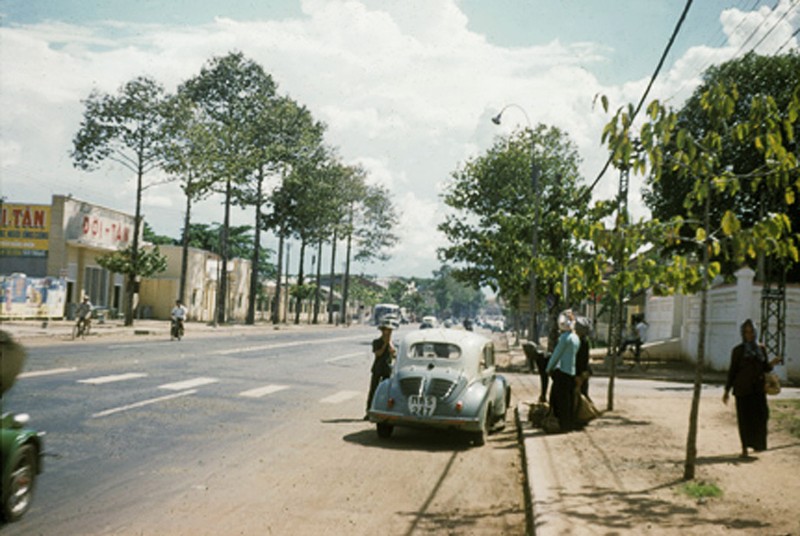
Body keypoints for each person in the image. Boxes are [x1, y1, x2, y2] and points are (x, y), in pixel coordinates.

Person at [723, 319, 782, 458]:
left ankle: (758, 444)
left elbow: (764, 368)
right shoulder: (738, 351)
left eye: (751, 332)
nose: (749, 335)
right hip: (743, 389)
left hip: (758, 389)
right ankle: (744, 447)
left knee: (762, 416)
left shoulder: (761, 349)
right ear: (742, 334)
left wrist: (772, 363)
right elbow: (732, 371)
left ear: (755, 333)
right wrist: (726, 391)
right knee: (745, 419)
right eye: (746, 332)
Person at [545, 310, 581, 432]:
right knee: (568, 400)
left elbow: (556, 355)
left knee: (557, 399)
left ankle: (559, 423)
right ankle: (568, 424)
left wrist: (548, 368)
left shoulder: (564, 338)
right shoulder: (576, 338)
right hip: (571, 372)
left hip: (562, 373)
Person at [365, 318, 397, 419]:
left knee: (387, 391)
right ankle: (369, 410)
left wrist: (390, 343)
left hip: (387, 369)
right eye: (387, 331)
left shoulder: (392, 343)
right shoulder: (377, 342)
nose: (388, 333)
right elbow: (378, 353)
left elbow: (394, 354)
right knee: (373, 390)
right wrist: (384, 344)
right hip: (378, 368)